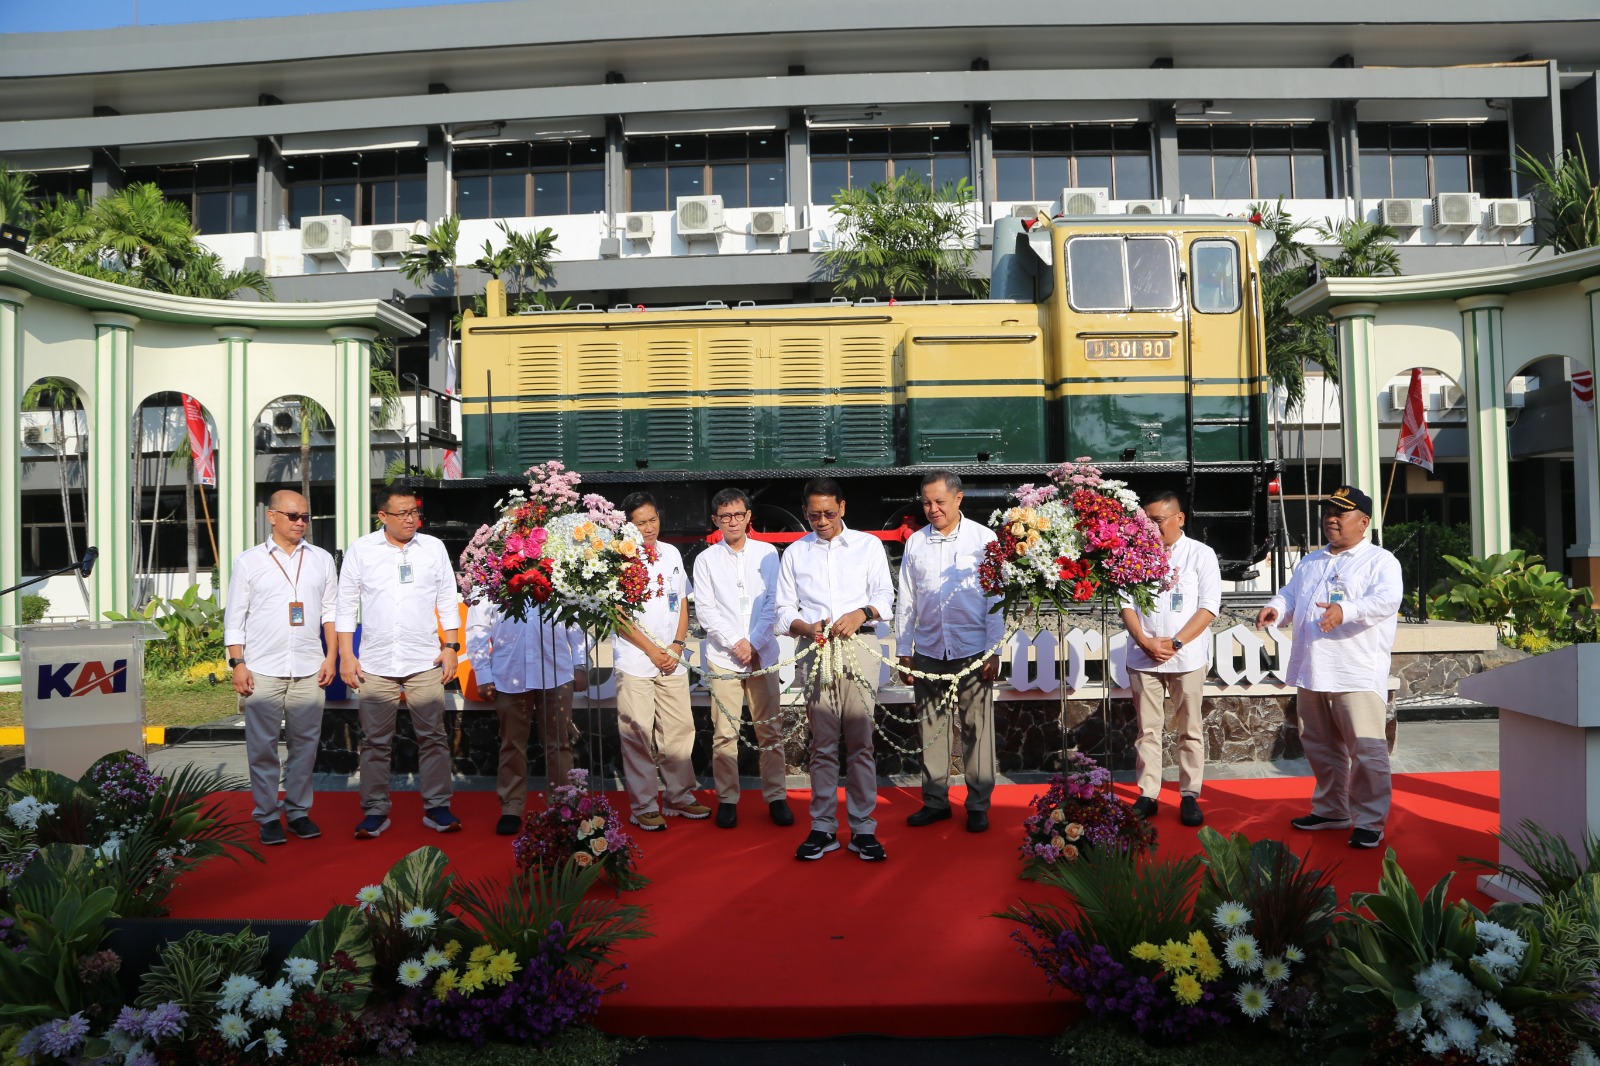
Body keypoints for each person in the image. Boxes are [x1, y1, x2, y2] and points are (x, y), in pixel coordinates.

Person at [1255, 485, 1403, 850]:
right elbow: (1291, 593)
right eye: (1329, 512)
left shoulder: (1380, 561)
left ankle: (1369, 820)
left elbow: (1386, 600)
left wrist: (1345, 610)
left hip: (1354, 669)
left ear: (1364, 521)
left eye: (1342, 513)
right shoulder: (1312, 560)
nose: (1331, 519)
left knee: (1366, 750)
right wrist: (1277, 606)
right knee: (1320, 746)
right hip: (1312, 668)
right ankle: (1332, 809)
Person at [775, 478, 894, 862]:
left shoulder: (868, 545)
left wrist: (861, 613)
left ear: (842, 508)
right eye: (813, 515)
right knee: (822, 744)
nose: (821, 521)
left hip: (859, 647)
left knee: (861, 743)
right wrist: (805, 628)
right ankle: (823, 827)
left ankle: (863, 828)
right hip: (815, 649)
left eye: (828, 513)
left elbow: (885, 598)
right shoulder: (795, 552)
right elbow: (782, 610)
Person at [338, 484, 463, 838]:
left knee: (434, 738)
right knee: (375, 742)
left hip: (424, 659)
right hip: (375, 663)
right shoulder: (362, 550)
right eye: (403, 513)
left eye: (415, 512)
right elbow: (345, 606)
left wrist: (451, 645)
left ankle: (438, 807)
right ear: (382, 516)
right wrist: (347, 655)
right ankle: (375, 810)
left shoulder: (433, 548)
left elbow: (446, 599)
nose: (411, 519)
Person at [222, 489, 339, 846]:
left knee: (306, 746)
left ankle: (299, 811)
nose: (301, 522)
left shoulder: (321, 559)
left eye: (306, 516)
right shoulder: (249, 562)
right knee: (262, 747)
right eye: (293, 516)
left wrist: (331, 655)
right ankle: (267, 815)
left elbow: (331, 612)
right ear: (272, 517)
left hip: (308, 666)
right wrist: (238, 663)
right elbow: (234, 618)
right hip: (263, 668)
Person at [896, 471, 1004, 834]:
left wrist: (993, 650)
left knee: (977, 728)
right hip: (928, 649)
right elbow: (907, 600)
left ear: (959, 499)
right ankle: (936, 801)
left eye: (940, 501)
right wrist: (903, 649)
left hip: (973, 648)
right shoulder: (915, 544)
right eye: (926, 502)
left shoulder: (983, 539)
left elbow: (996, 599)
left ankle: (978, 804)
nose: (932, 509)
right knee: (932, 729)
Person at [1119, 491, 1221, 827]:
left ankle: (1190, 793)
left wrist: (1175, 643)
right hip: (1143, 655)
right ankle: (1148, 793)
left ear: (1179, 518)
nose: (1151, 527)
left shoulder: (1200, 555)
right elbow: (1126, 604)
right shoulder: (1132, 554)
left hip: (1186, 657)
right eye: (1146, 520)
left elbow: (1208, 607)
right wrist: (1144, 641)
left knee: (1189, 729)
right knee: (1147, 729)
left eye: (1157, 520)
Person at [694, 488, 793, 829]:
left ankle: (777, 797)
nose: (733, 522)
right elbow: (705, 609)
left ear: (749, 516)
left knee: (770, 730)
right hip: (724, 658)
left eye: (738, 515)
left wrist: (753, 643)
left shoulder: (767, 554)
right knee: (725, 733)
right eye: (725, 517)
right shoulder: (706, 560)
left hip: (761, 655)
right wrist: (736, 642)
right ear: (715, 521)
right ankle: (728, 799)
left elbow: (774, 603)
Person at [614, 492, 710, 831]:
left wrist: (678, 644)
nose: (649, 527)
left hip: (672, 657)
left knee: (679, 729)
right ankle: (642, 805)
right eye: (641, 523)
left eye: (653, 520)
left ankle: (679, 796)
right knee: (638, 733)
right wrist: (652, 650)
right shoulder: (617, 557)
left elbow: (682, 601)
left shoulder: (670, 552)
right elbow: (617, 614)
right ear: (628, 525)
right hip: (636, 659)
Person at [464, 598, 589, 835]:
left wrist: (580, 663)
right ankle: (511, 807)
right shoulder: (492, 571)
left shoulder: (561, 568)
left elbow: (575, 619)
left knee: (559, 743)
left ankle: (562, 805)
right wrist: (482, 673)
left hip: (556, 671)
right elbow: (478, 627)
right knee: (511, 744)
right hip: (510, 671)